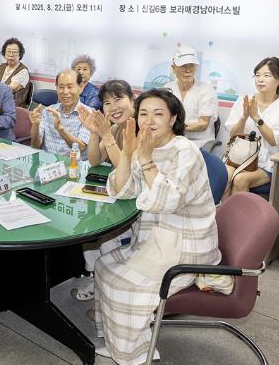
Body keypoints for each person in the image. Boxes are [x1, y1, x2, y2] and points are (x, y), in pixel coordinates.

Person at [94, 88, 220, 364]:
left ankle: (136, 355)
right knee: (103, 266)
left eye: (158, 114)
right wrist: (128, 153)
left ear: (173, 118)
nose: (149, 120)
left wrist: (146, 159)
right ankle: (120, 343)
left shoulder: (185, 151)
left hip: (185, 245)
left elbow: (170, 199)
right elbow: (124, 190)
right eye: (143, 114)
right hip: (155, 239)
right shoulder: (145, 145)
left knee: (124, 286)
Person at [223, 57, 279, 197]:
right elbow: (233, 135)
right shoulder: (244, 100)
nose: (260, 80)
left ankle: (239, 212)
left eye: (267, 75)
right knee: (224, 176)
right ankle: (223, 211)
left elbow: (273, 140)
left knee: (240, 179)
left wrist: (256, 117)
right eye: (257, 75)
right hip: (241, 157)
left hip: (269, 163)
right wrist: (244, 117)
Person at [164, 46, 218, 146]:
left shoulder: (206, 90)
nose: (188, 70)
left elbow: (203, 124)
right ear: (174, 68)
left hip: (198, 143)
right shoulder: (167, 89)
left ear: (196, 67)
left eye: (192, 65)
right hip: (171, 140)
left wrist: (173, 128)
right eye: (183, 65)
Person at [29, 69, 89, 155]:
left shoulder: (88, 114)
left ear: (80, 87)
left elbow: (81, 147)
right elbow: (35, 145)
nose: (65, 92)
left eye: (70, 87)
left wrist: (61, 129)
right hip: (48, 161)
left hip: (73, 162)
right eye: (61, 87)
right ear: (56, 87)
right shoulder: (48, 111)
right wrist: (35, 125)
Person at [79, 80, 136, 167]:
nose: (113, 107)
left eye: (117, 99)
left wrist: (106, 135)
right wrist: (94, 132)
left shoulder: (144, 128)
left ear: (132, 100)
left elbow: (127, 169)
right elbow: (95, 161)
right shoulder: (115, 129)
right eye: (107, 103)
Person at [0, 37, 31, 108]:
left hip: (12, 108)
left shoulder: (23, 71)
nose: (11, 55)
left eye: (14, 52)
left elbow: (10, 89)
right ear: (4, 53)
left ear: (20, 55)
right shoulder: (0, 66)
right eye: (8, 51)